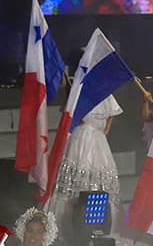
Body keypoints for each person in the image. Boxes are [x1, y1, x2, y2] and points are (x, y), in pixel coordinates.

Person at [44, 91, 122, 228]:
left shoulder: (105, 90)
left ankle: (98, 223)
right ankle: (70, 223)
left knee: (100, 177)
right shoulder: (81, 89)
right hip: (81, 138)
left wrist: (106, 128)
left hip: (98, 138)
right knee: (78, 175)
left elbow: (112, 112)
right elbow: (69, 114)